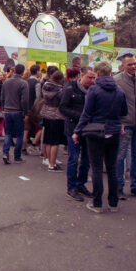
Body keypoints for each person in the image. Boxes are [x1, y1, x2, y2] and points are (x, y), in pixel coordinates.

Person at [73, 62, 128, 213]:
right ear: (110, 73)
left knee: (96, 168)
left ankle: (97, 203)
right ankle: (113, 203)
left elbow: (86, 113)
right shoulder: (119, 90)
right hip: (114, 132)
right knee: (112, 168)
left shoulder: (94, 90)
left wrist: (77, 131)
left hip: (96, 132)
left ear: (97, 73)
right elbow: (124, 112)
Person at [59, 67, 96, 200]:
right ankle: (72, 187)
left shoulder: (94, 89)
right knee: (73, 159)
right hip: (73, 128)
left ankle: (81, 184)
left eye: (94, 77)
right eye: (89, 77)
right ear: (81, 75)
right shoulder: (70, 88)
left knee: (86, 160)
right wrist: (81, 116)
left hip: (89, 130)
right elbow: (62, 107)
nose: (92, 80)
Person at [114, 54, 136, 199]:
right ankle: (118, 186)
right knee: (120, 156)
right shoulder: (117, 81)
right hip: (125, 124)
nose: (133, 66)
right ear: (123, 66)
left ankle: (135, 187)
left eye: (135, 64)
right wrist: (118, 122)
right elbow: (113, 104)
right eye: (130, 64)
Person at [1, 64, 29, 164]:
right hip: (18, 111)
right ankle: (17, 156)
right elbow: (25, 100)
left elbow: (2, 97)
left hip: (7, 111)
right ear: (22, 72)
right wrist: (25, 112)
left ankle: (5, 153)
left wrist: (3, 108)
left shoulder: (6, 82)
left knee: (8, 133)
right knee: (19, 134)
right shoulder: (23, 83)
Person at [41, 70, 66, 172]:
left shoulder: (45, 86)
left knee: (47, 139)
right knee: (55, 142)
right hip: (56, 115)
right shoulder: (60, 91)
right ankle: (52, 164)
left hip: (46, 113)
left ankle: (46, 159)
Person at [23, 64, 42, 154]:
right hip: (33, 109)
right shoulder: (37, 83)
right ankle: (34, 144)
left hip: (25, 108)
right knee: (41, 127)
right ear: (37, 71)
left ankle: (23, 148)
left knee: (25, 129)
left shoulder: (25, 81)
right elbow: (38, 97)